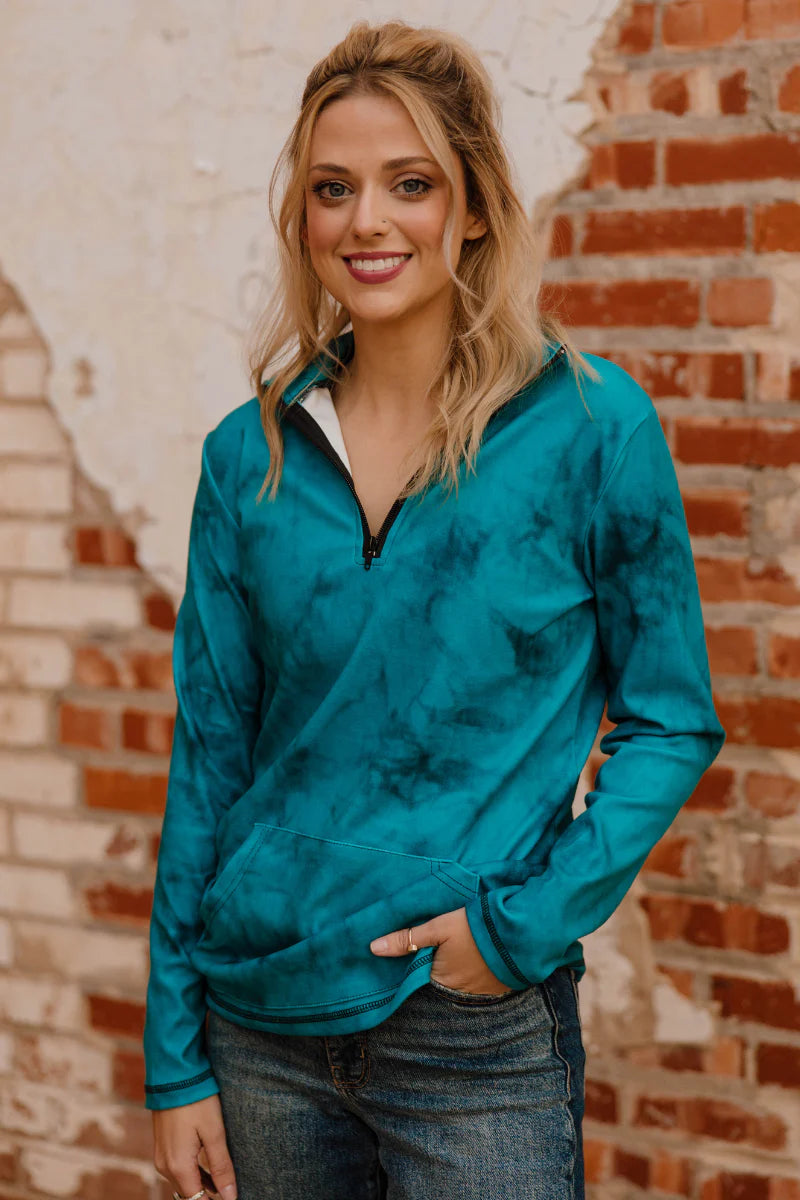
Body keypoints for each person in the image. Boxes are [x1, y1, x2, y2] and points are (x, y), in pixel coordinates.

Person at [144, 18, 726, 1200]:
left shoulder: (589, 429)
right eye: (333, 189)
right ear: (303, 219)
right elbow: (208, 759)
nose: (366, 220)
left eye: (408, 184)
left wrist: (518, 930)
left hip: (471, 1038)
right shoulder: (247, 456)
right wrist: (175, 1061)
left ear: (470, 207)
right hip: (260, 1027)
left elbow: (670, 719)